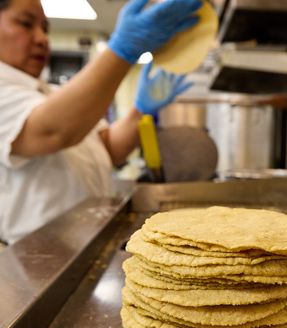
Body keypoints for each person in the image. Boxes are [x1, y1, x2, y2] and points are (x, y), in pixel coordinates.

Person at [0, 0, 201, 245]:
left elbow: (108, 148)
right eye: (25, 23)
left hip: (87, 240)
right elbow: (51, 132)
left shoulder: (50, 94)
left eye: (45, 28)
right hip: (38, 255)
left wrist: (142, 110)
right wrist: (123, 49)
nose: (42, 38)